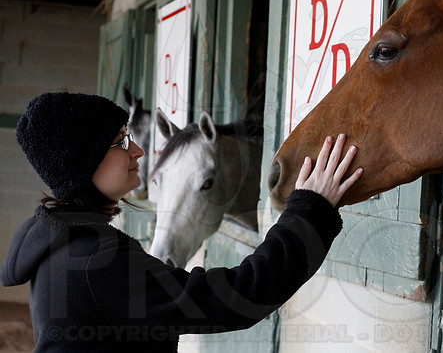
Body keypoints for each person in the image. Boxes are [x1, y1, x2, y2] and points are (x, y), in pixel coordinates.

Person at [0, 92, 363, 352]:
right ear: (85, 163)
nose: (138, 150)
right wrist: (311, 211)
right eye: (120, 142)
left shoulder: (58, 246)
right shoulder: (96, 260)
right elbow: (239, 297)